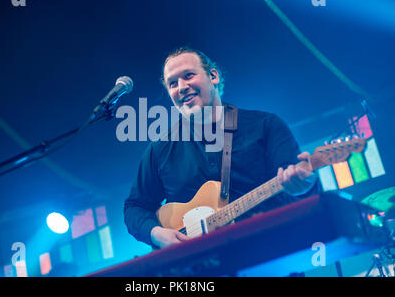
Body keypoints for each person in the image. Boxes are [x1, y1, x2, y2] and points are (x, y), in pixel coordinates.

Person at [124, 47, 319, 249]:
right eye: (172, 83)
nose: (181, 87)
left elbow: (296, 183)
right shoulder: (159, 150)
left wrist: (305, 186)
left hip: (271, 252)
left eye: (188, 76)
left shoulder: (265, 125)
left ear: (213, 76)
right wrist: (156, 233)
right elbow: (135, 207)